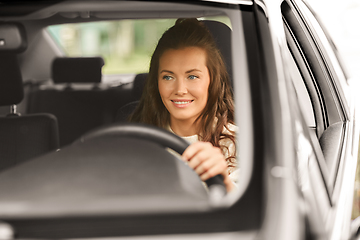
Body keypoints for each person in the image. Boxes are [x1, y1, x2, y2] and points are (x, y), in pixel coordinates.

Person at [130, 18, 237, 192]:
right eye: (168, 77)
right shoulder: (136, 140)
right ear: (156, 82)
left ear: (213, 80)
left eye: (192, 76)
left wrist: (223, 180)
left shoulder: (237, 142)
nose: (180, 90)